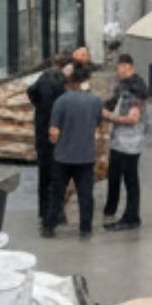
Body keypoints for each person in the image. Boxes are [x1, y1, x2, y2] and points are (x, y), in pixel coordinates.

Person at [46, 64, 102, 239]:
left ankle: (49, 226)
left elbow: (53, 132)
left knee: (57, 193)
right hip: (85, 156)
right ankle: (85, 229)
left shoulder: (61, 101)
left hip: (63, 157)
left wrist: (55, 143)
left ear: (70, 81)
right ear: (86, 81)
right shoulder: (95, 102)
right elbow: (98, 124)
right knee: (85, 194)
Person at [101, 54, 148, 231]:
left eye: (121, 68)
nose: (118, 71)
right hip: (119, 141)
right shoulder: (123, 86)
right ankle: (110, 208)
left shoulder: (135, 89)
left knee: (130, 179)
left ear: (129, 67)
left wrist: (109, 117)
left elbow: (132, 119)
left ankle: (131, 217)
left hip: (130, 142)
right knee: (114, 174)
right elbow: (113, 102)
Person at [25, 56, 72, 232]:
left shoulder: (44, 77)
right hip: (57, 135)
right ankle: (56, 212)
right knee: (58, 176)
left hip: (42, 134)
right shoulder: (61, 84)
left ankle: (44, 211)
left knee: (44, 175)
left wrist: (38, 107)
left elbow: (30, 92)